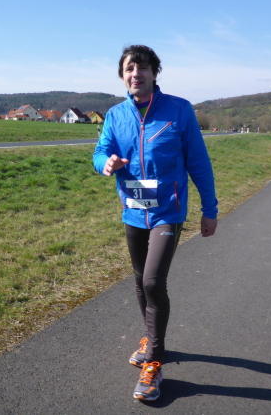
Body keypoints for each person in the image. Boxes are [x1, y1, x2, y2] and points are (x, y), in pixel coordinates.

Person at [93, 45, 218, 401]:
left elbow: (198, 162)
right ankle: (151, 337)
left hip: (167, 211)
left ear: (154, 73)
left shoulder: (179, 110)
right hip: (133, 210)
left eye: (143, 67)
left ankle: (154, 363)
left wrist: (210, 209)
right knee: (139, 280)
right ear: (123, 76)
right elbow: (99, 151)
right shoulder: (115, 115)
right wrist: (105, 163)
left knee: (152, 282)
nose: (137, 74)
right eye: (130, 69)